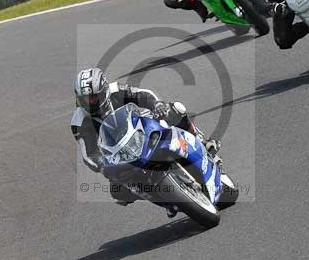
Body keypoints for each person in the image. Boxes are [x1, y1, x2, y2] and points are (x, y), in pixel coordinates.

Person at [71, 67, 218, 212]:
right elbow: (89, 153)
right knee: (119, 191)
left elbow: (144, 95)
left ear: (104, 91)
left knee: (176, 109)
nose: (90, 103)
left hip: (140, 128)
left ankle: (202, 140)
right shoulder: (79, 121)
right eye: (84, 99)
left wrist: (157, 104)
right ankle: (168, 202)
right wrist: (102, 165)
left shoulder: (116, 91)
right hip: (118, 152)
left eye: (93, 97)